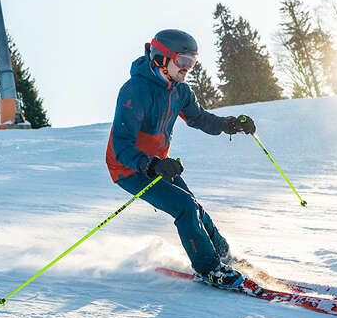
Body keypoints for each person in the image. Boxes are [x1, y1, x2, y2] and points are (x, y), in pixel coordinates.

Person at [105, 29, 256, 288]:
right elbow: (121, 145)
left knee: (194, 206)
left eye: (193, 62)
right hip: (128, 167)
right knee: (184, 207)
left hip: (158, 165)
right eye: (183, 61)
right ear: (162, 59)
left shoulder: (180, 91)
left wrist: (229, 124)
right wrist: (151, 164)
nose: (188, 68)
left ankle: (223, 256)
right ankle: (209, 269)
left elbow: (198, 118)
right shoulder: (135, 90)